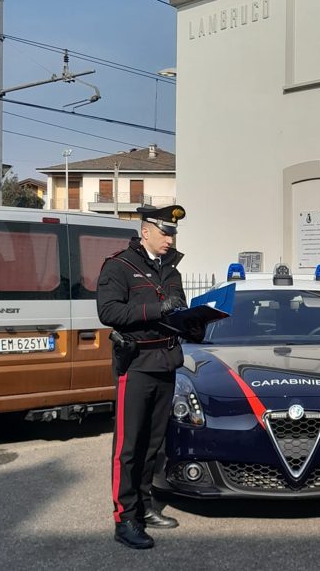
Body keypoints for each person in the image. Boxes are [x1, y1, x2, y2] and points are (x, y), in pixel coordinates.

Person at [97, 204, 204, 550]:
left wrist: (196, 324)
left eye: (173, 233)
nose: (171, 239)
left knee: (153, 445)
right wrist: (157, 309)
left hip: (165, 362)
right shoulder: (120, 265)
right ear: (145, 231)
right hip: (137, 364)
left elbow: (179, 311)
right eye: (165, 232)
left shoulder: (171, 270)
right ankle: (125, 518)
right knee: (128, 447)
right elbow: (108, 310)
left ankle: (144, 507)